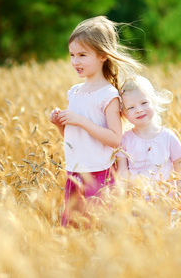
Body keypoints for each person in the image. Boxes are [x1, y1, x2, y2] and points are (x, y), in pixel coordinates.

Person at [49, 16, 143, 227]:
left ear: (102, 55)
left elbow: (114, 139)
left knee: (94, 229)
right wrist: (61, 125)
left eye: (82, 55)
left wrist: (80, 120)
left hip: (98, 175)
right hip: (75, 173)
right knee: (73, 231)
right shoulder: (75, 92)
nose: (75, 61)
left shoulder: (108, 94)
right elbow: (74, 138)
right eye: (72, 55)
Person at [116, 75, 181, 201]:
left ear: (154, 102)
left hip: (166, 202)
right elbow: (122, 173)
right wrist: (120, 200)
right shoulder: (125, 140)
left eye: (144, 103)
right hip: (137, 205)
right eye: (131, 107)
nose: (139, 110)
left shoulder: (168, 137)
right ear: (124, 113)